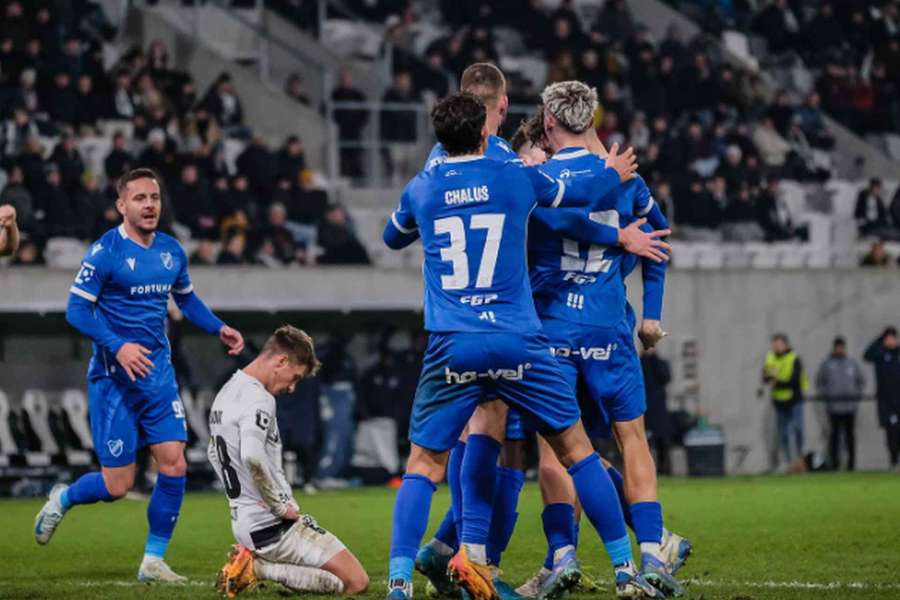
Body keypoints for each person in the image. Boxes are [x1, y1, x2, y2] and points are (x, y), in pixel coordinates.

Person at [381, 92, 665, 600]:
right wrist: (614, 175)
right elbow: (577, 193)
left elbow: (391, 236)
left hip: (454, 342)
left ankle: (400, 582)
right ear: (487, 132)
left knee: (424, 465)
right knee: (577, 451)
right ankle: (627, 569)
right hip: (518, 339)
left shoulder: (420, 187)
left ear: (440, 139)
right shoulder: (512, 175)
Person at [33, 168, 245, 582]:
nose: (149, 205)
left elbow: (186, 299)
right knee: (117, 486)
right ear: (121, 206)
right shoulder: (104, 252)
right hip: (113, 382)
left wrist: (218, 326)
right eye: (140, 198)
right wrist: (119, 345)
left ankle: (153, 561)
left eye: (155, 197)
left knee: (175, 464)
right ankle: (65, 496)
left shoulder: (171, 251)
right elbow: (76, 311)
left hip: (158, 376)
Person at [517, 84, 683, 598]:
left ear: (548, 119)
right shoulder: (625, 178)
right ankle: (653, 555)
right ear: (593, 116)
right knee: (632, 437)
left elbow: (547, 216)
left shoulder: (536, 179)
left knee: (559, 450)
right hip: (609, 328)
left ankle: (562, 555)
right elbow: (658, 241)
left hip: (553, 331)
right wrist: (650, 317)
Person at [212, 326, 369, 596]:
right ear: (281, 361)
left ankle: (256, 564)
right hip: (272, 525)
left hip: (244, 521)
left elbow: (213, 454)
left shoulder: (227, 392)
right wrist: (279, 506)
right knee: (356, 583)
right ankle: (257, 569)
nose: (293, 387)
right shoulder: (259, 398)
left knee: (340, 579)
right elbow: (251, 455)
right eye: (295, 377)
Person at [816, 337, 865, 471]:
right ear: (834, 348)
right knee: (835, 436)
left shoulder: (852, 363)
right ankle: (835, 464)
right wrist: (827, 398)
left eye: (841, 347)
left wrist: (856, 397)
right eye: (837, 347)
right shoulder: (827, 364)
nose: (840, 349)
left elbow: (861, 381)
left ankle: (851, 465)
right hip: (834, 407)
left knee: (850, 436)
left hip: (850, 407)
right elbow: (820, 383)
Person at [762, 333, 809, 473]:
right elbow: (766, 378)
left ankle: (799, 458)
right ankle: (789, 463)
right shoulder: (770, 358)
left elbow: (794, 381)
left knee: (797, 429)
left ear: (786, 344)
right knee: (783, 434)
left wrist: (777, 382)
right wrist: (769, 380)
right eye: (774, 344)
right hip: (779, 402)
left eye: (779, 343)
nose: (776, 346)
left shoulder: (794, 358)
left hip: (794, 400)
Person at [864, 327, 900, 470]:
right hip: (887, 401)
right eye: (888, 338)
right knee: (892, 431)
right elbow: (866, 355)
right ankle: (894, 461)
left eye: (893, 338)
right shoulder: (880, 354)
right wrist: (879, 340)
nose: (891, 341)